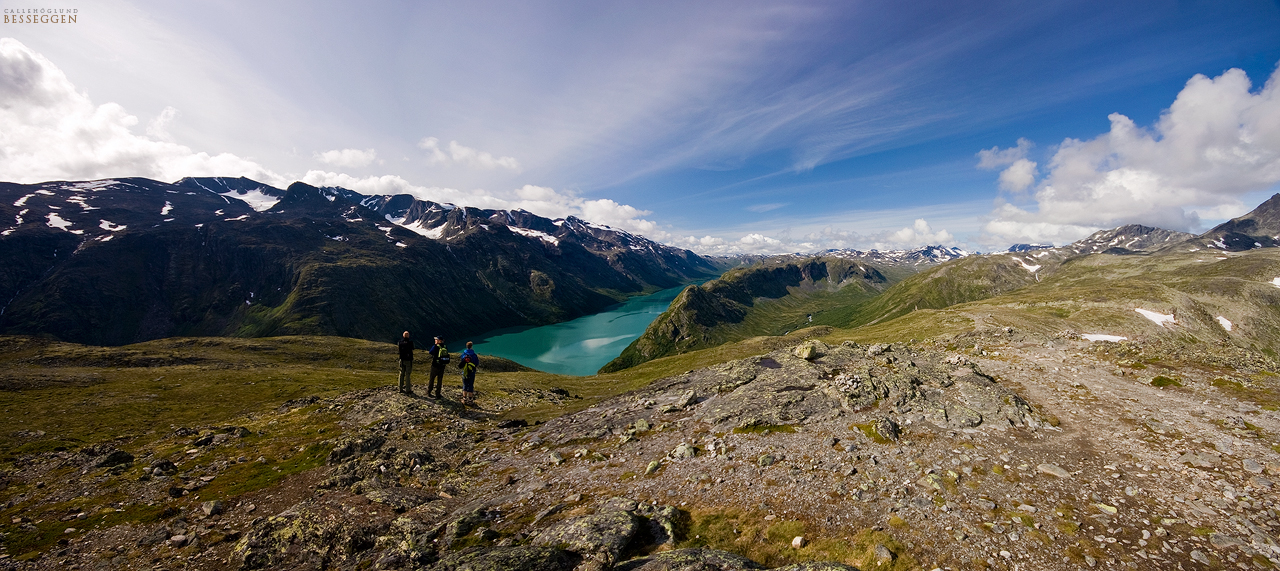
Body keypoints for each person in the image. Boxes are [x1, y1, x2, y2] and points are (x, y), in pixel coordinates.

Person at [458, 341, 480, 405]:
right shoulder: (474, 355)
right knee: (470, 385)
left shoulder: (464, 354)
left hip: (465, 372)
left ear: (466, 346)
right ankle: (470, 400)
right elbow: (476, 363)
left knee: (465, 385)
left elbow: (461, 362)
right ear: (472, 346)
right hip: (472, 372)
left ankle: (464, 398)